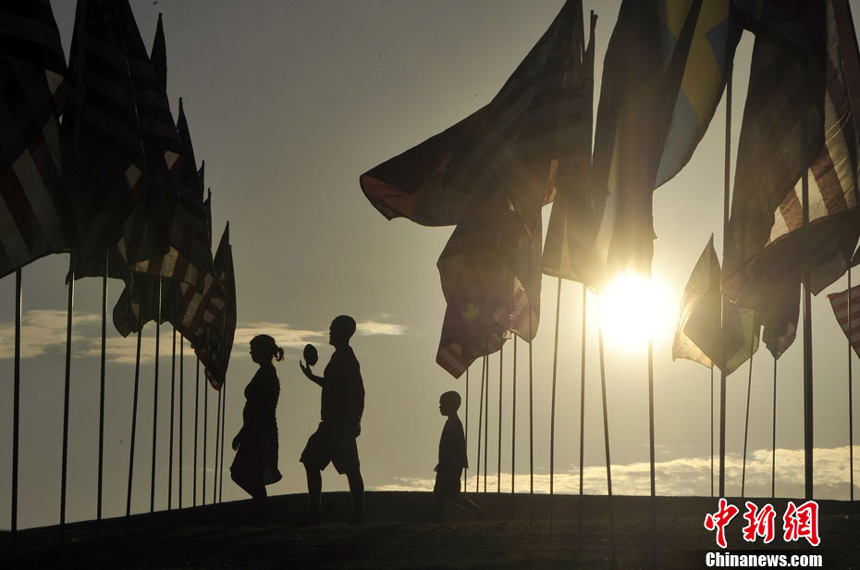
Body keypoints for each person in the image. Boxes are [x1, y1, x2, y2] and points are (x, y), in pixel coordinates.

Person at [298, 315, 365, 525]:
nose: (329, 331)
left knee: (351, 469)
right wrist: (313, 378)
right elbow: (333, 385)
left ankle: (354, 515)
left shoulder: (346, 358)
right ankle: (316, 512)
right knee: (312, 461)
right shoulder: (340, 356)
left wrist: (355, 420)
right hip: (333, 423)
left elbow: (356, 392)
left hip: (339, 424)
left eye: (333, 328)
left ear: (342, 332)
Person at [231, 334, 284, 522]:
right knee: (246, 472)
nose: (251, 352)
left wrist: (245, 433)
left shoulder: (268, 374)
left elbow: (260, 411)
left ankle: (265, 508)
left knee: (243, 472)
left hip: (260, 433)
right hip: (256, 431)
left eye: (254, 349)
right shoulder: (264, 372)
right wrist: (242, 432)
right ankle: (264, 508)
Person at [434, 390, 481, 521]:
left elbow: (453, 447)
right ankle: (476, 511)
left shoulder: (454, 423)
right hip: (450, 464)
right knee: (448, 494)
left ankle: (476, 511)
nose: (440, 407)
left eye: (442, 404)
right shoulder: (452, 422)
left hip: (451, 465)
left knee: (444, 494)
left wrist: (447, 464)